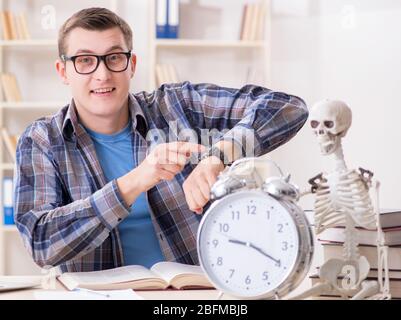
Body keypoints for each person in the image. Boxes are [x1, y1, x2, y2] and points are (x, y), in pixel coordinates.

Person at [14, 7, 308, 273]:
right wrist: (135, 181)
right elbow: (41, 243)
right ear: (63, 71)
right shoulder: (41, 140)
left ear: (131, 65)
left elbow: (287, 108)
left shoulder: (177, 105)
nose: (102, 74)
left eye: (114, 57)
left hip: (194, 297)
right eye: (85, 61)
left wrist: (217, 157)